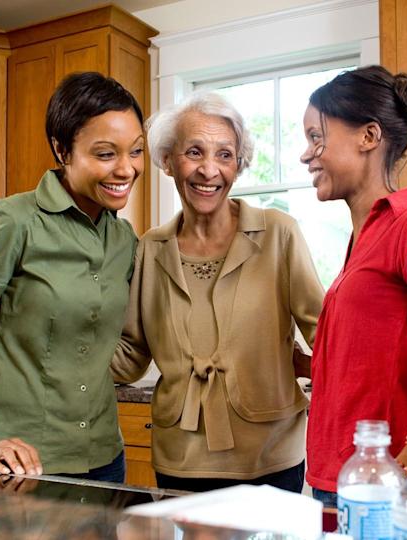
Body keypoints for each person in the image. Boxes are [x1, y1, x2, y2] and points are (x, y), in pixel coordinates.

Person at [111, 92, 325, 493]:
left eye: (225, 155)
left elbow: (327, 335)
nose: (209, 170)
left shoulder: (279, 233)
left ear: (239, 165)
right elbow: (132, 354)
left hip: (271, 456)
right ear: (168, 160)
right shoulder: (150, 248)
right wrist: (56, 351)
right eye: (194, 152)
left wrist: (308, 367)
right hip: (181, 455)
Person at [0, 72, 144, 481]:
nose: (126, 169)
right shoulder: (10, 222)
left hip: (105, 457)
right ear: (62, 149)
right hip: (23, 464)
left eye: (136, 151)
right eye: (105, 154)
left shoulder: (124, 240)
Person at [299, 66, 407, 506]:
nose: (307, 154)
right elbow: (374, 359)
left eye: (317, 137)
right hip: (336, 477)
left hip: (379, 484)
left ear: (369, 136)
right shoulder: (366, 236)